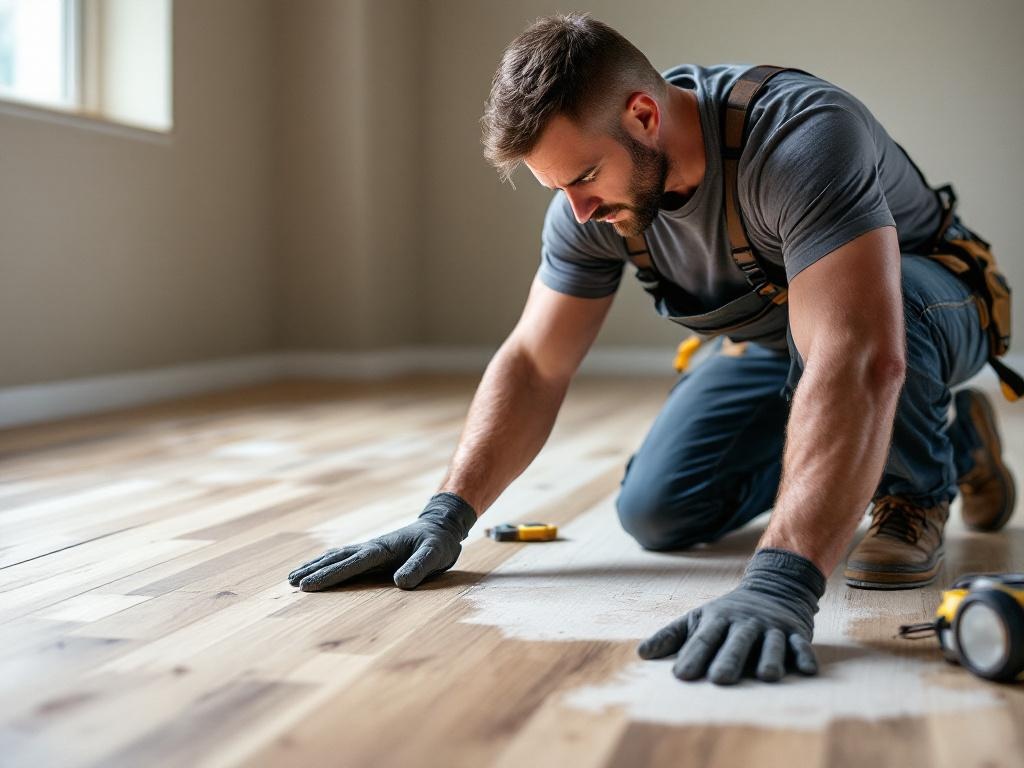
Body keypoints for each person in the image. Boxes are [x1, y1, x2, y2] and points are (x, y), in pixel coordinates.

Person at [287, 14, 1016, 686]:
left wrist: (784, 577)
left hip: (916, 312)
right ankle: (948, 438)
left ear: (643, 114)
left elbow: (859, 356)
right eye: (556, 187)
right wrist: (447, 512)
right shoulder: (590, 205)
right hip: (780, 341)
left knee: (883, 326)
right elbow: (536, 363)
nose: (578, 210)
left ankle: (917, 487)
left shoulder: (799, 137)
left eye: (582, 178)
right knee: (659, 511)